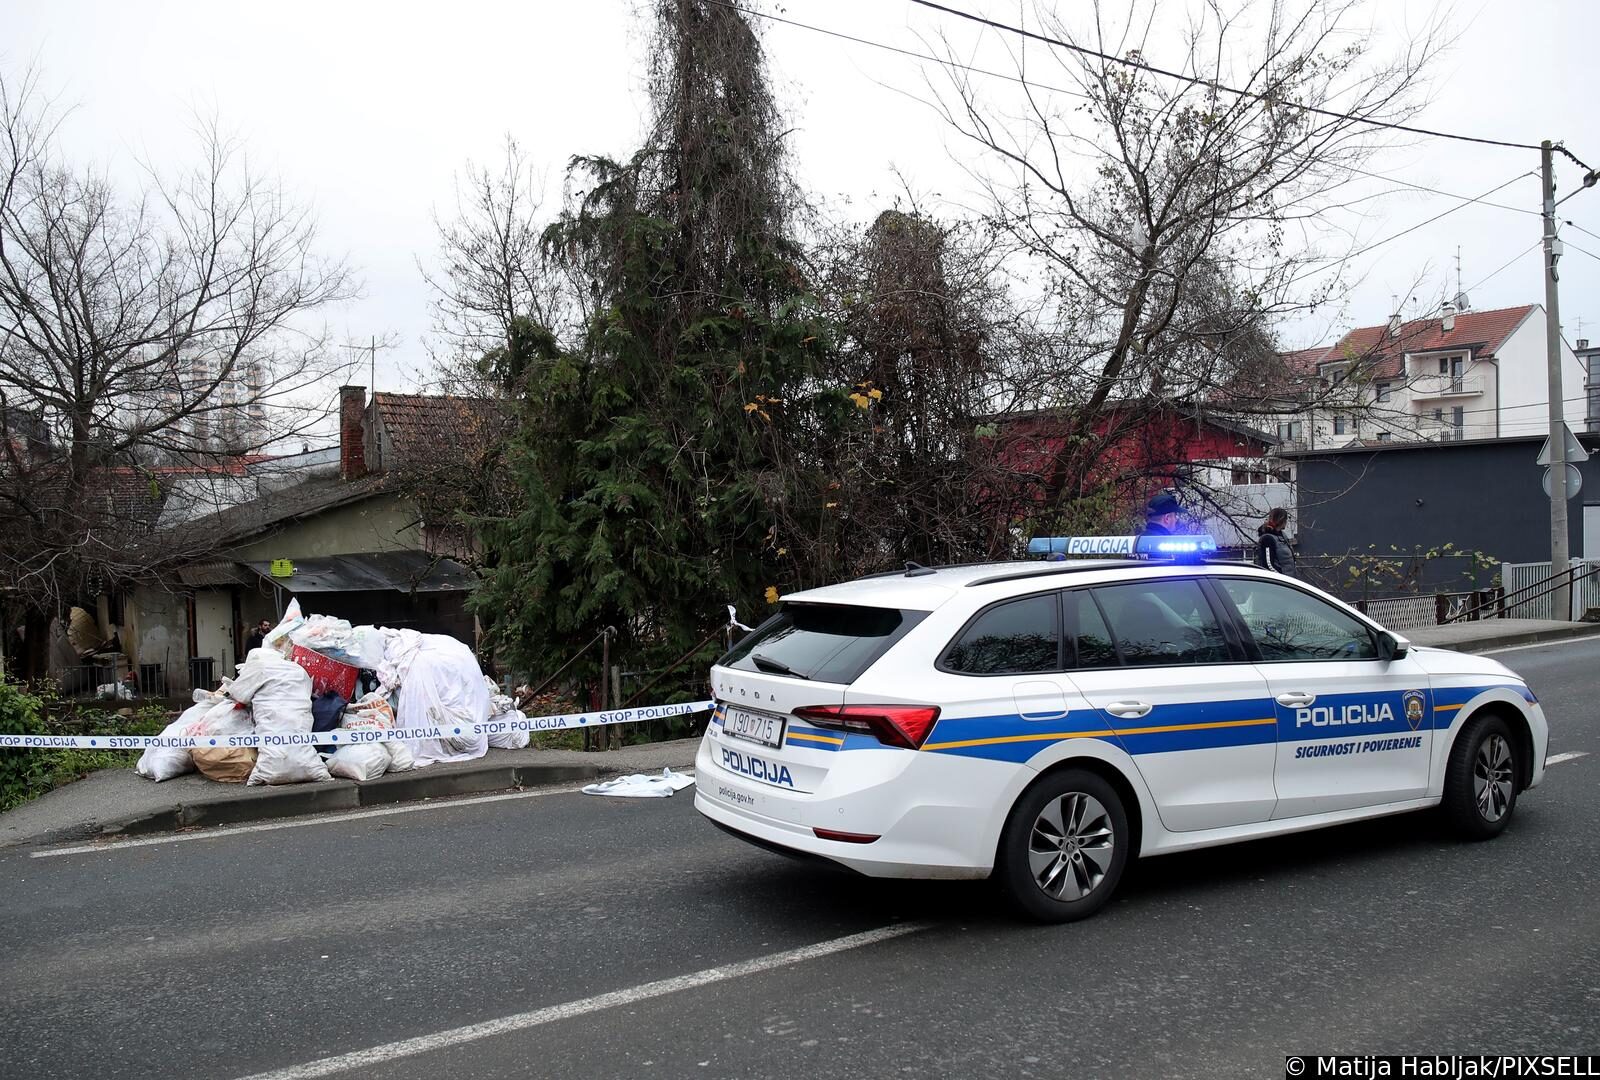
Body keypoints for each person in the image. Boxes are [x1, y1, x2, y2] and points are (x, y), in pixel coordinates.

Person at [1254, 508, 1297, 576]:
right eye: (1286, 520)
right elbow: (1268, 565)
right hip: (1278, 583)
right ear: (1281, 520)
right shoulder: (1267, 539)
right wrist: (1282, 579)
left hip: (1289, 580)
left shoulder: (1283, 536)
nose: (1286, 522)